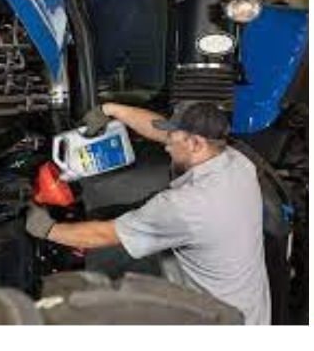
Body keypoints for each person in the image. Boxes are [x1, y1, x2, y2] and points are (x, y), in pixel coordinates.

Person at [24, 100, 271, 325]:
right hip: (250, 313)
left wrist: (45, 228)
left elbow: (104, 235)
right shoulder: (237, 162)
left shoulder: (187, 206)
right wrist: (110, 110)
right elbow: (159, 131)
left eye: (173, 138)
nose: (166, 146)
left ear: (196, 144)